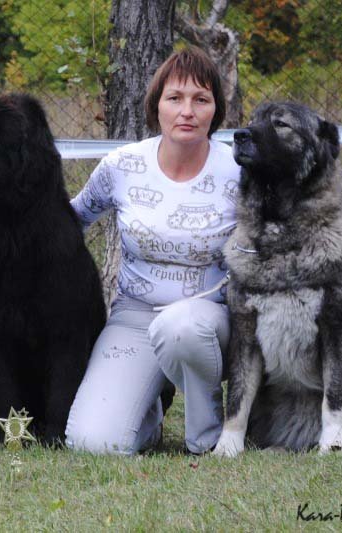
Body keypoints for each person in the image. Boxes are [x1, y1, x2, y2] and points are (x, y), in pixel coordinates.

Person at [64, 47, 241, 455]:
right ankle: (149, 411)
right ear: (156, 105)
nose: (187, 111)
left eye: (201, 99)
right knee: (94, 443)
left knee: (181, 328)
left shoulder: (239, 170)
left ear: (216, 109)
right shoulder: (122, 166)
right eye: (175, 98)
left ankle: (206, 437)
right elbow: (68, 223)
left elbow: (299, 234)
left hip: (211, 321)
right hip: (135, 316)